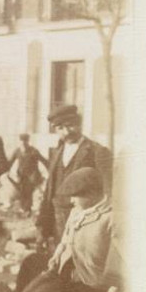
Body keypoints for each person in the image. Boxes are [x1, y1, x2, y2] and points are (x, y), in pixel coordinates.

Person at [37, 104, 112, 246]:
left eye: (70, 125)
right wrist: (43, 228)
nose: (66, 132)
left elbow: (108, 193)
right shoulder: (56, 152)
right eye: (60, 128)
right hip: (58, 222)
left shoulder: (97, 151)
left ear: (79, 124)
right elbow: (49, 191)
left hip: (85, 222)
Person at [7, 133, 48, 215]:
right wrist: (5, 170)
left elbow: (44, 161)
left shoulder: (33, 151)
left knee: (28, 191)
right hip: (21, 175)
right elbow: (10, 162)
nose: (23, 143)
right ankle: (24, 209)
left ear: (28, 141)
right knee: (22, 191)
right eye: (21, 141)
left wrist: (51, 169)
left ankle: (27, 209)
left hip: (32, 175)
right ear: (19, 141)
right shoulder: (17, 151)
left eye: (25, 141)